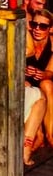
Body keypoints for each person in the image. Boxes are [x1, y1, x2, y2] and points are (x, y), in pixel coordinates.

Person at [25, 9, 53, 152]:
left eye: (42, 26)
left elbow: (50, 71)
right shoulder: (26, 40)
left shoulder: (52, 44)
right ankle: (38, 135)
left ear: (50, 28)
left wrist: (42, 74)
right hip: (27, 81)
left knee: (46, 84)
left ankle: (50, 135)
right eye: (34, 24)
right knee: (28, 86)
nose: (37, 29)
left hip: (44, 82)